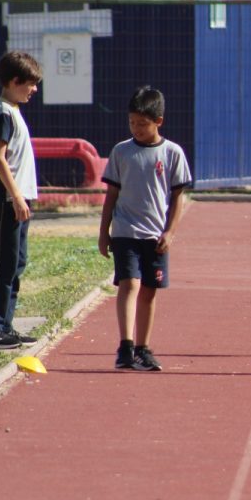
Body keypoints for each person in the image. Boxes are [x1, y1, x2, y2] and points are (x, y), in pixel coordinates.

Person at [99, 87, 193, 371]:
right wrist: (104, 232)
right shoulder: (121, 152)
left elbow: (178, 197)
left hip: (155, 235)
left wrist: (170, 232)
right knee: (129, 284)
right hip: (125, 231)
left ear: (158, 122)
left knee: (149, 291)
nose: (136, 129)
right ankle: (125, 347)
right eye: (132, 123)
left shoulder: (173, 153)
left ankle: (143, 347)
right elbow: (111, 196)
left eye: (142, 123)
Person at [0, 51, 42, 350]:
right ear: (14, 81)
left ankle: (4, 325)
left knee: (16, 262)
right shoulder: (2, 111)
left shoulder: (12, 110)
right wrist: (15, 196)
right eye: (30, 84)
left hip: (17, 200)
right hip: (5, 200)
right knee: (1, 264)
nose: (34, 90)